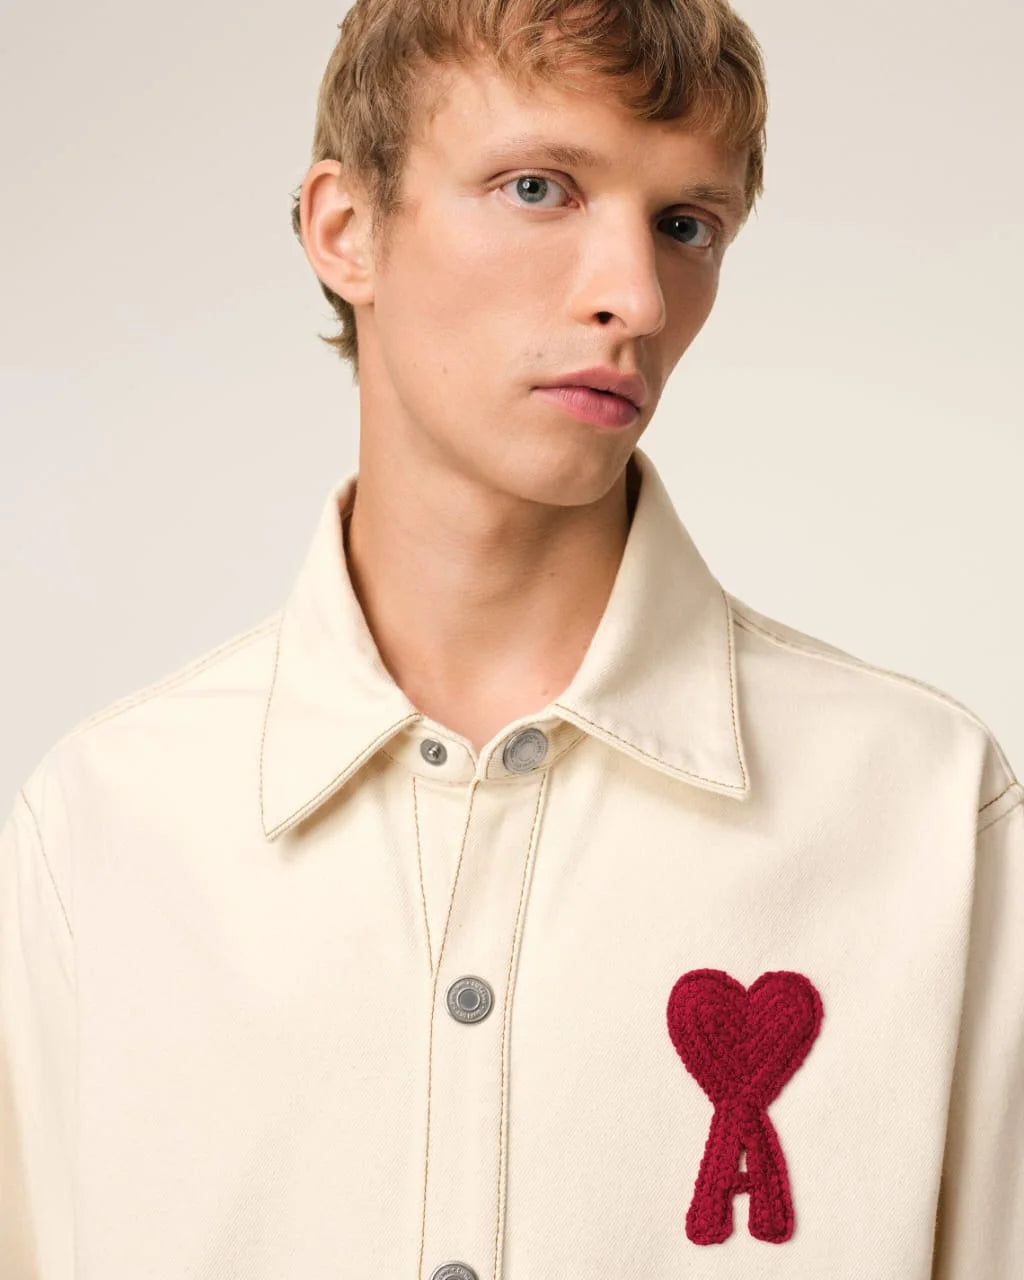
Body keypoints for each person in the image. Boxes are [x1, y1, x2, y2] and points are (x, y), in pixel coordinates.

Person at [2, 1, 1020, 1277]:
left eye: (685, 224)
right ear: (345, 229)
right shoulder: (105, 827)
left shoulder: (922, 809)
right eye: (538, 188)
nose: (633, 298)